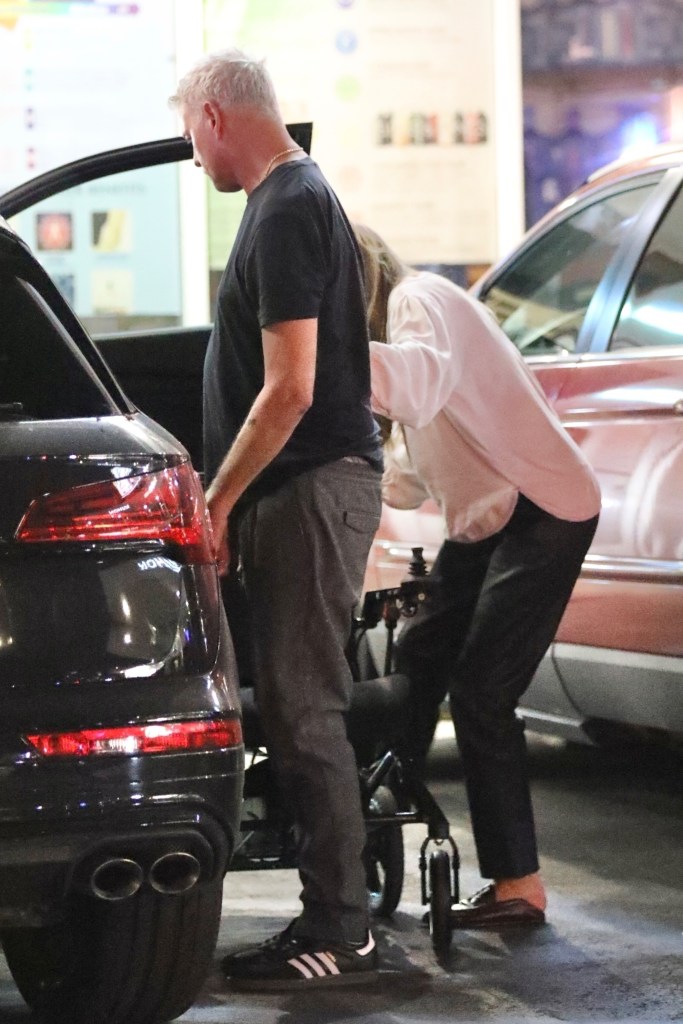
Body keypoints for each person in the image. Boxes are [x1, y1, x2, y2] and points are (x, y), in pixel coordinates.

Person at [169, 51, 383, 989]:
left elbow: (289, 389)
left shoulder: (290, 206)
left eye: (187, 133)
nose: (191, 154)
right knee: (299, 710)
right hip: (295, 494)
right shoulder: (291, 201)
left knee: (305, 712)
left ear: (214, 115)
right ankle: (331, 915)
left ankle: (340, 929)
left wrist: (214, 500)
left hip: (307, 488)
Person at [354, 223, 601, 928]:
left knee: (481, 692)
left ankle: (517, 885)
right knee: (420, 656)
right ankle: (364, 805)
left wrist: (319, 350)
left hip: (538, 508)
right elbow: (403, 478)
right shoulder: (410, 327)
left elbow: (418, 384)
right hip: (490, 519)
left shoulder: (418, 298)